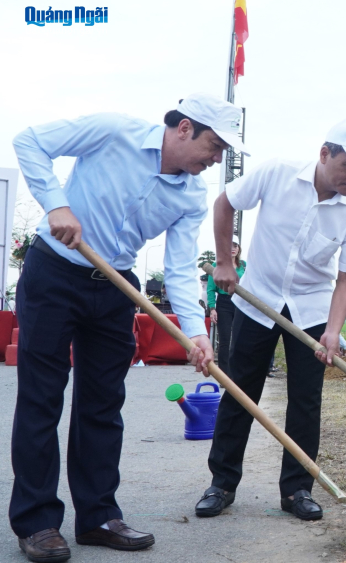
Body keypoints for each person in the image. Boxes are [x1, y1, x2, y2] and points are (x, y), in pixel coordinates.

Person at [10, 93, 236, 562]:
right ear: (183, 128)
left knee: (103, 404)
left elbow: (177, 268)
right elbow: (28, 141)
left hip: (115, 286)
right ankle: (37, 523)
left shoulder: (192, 196)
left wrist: (194, 333)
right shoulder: (115, 131)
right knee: (42, 397)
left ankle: (97, 516)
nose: (216, 160)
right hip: (54, 271)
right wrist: (56, 206)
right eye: (214, 146)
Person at [195, 119, 346, 522]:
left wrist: (333, 331)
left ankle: (297, 490)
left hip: (311, 311)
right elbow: (225, 202)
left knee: (306, 402)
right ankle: (222, 483)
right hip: (256, 298)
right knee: (240, 392)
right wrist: (225, 261)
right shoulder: (278, 173)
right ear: (325, 154)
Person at [207, 237, 247, 374]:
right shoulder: (216, 266)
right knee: (225, 340)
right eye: (230, 245)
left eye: (235, 245)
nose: (233, 248)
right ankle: (224, 374)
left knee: (241, 338)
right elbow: (211, 289)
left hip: (241, 302)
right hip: (224, 303)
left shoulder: (244, 266)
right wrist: (212, 308)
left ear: (239, 248)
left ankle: (239, 372)